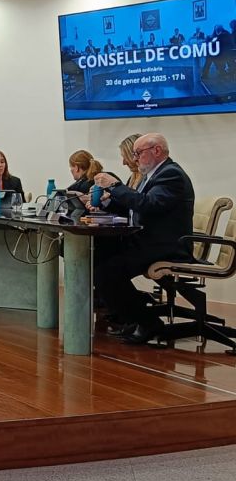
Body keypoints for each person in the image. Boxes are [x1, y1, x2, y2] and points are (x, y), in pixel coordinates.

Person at [91, 133, 195, 344]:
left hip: (166, 246)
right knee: (99, 256)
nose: (135, 159)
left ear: (156, 151)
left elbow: (148, 205)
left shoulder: (171, 174)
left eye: (138, 153)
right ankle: (132, 317)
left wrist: (115, 186)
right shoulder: (153, 175)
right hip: (151, 242)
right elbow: (135, 207)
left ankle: (147, 322)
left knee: (108, 269)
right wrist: (106, 202)